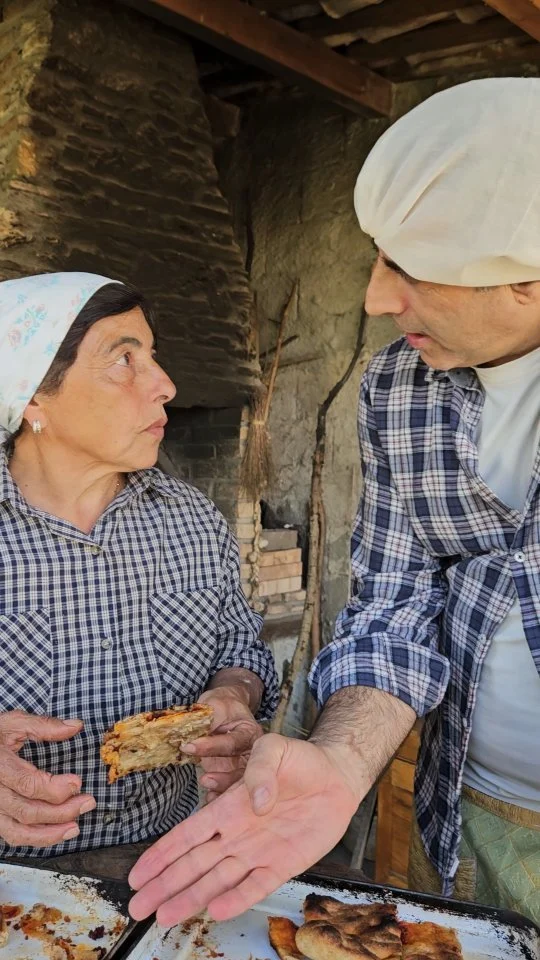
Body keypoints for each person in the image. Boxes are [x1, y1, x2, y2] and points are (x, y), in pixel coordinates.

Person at [127, 77, 540, 927]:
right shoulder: (397, 387)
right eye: (379, 257)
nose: (376, 299)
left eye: (410, 270)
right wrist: (343, 763)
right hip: (468, 813)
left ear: (527, 282)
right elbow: (394, 604)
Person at [0, 272, 278, 862]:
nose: (166, 385)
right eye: (123, 359)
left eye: (151, 355)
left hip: (169, 857)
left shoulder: (193, 520)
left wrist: (234, 694)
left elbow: (239, 645)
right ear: (31, 398)